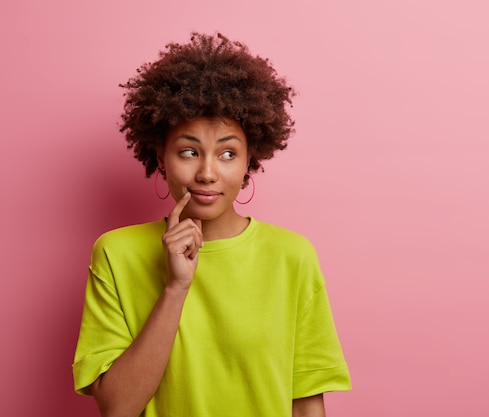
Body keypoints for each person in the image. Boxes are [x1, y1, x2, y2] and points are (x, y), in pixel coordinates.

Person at [72, 32, 351, 417]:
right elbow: (118, 408)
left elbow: (306, 403)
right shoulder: (117, 254)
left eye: (227, 153)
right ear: (161, 156)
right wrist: (176, 287)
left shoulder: (292, 256)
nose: (207, 172)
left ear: (249, 159)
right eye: (189, 152)